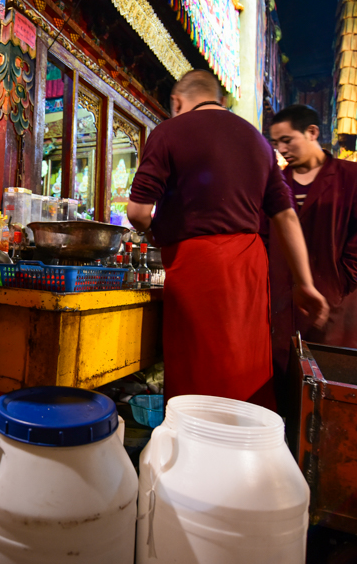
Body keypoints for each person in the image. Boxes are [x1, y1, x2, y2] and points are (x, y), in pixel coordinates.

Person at [127, 70, 329, 410]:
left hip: (197, 265)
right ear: (219, 99)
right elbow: (286, 216)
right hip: (249, 265)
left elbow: (137, 212)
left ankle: (196, 438)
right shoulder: (258, 142)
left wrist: (154, 232)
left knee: (197, 370)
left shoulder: (169, 132)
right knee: (244, 366)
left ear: (177, 102)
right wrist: (305, 284)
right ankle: (244, 436)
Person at [268, 105, 357, 396]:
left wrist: (341, 282)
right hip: (282, 300)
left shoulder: (354, 176)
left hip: (334, 298)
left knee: (330, 381)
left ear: (312, 132)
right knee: (282, 382)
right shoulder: (275, 183)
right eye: (276, 143)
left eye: (287, 140)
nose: (282, 149)